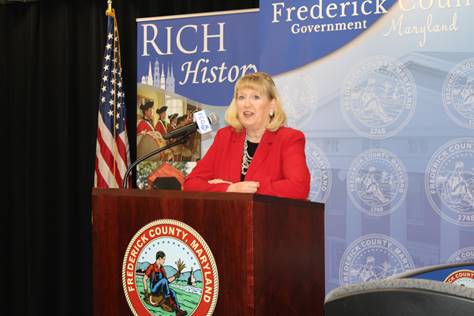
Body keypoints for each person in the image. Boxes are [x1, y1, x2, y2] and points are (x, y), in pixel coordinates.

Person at [183, 72, 310, 199]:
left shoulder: (289, 138)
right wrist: (228, 189)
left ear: (272, 105)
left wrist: (245, 188)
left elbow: (298, 188)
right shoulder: (225, 136)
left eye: (255, 97)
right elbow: (191, 183)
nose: (246, 104)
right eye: (241, 97)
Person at [143, 251, 187, 316]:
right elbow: (144, 279)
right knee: (163, 281)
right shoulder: (151, 266)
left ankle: (178, 310)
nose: (164, 261)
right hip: (154, 289)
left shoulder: (162, 269)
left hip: (161, 290)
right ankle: (170, 300)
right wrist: (146, 292)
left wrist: (175, 275)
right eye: (164, 259)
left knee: (172, 292)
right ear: (159, 258)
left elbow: (167, 281)